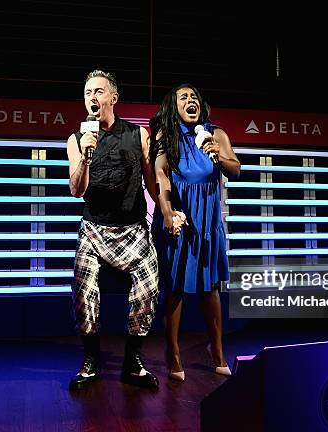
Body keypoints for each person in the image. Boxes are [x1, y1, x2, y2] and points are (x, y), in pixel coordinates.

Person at [67, 70, 160, 390]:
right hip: (93, 230)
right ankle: (91, 360)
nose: (92, 97)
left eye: (99, 91)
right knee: (83, 290)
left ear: (113, 98)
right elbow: (76, 190)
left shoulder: (138, 135)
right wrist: (87, 157)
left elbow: (152, 180)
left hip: (133, 229)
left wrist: (168, 210)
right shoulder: (77, 139)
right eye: (87, 92)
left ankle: (133, 361)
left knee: (148, 287)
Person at [149, 84, 240, 382]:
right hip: (181, 218)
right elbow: (161, 173)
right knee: (175, 288)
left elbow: (235, 170)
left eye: (195, 98)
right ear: (173, 107)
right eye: (184, 98)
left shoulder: (218, 134)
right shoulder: (167, 137)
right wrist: (167, 211)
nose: (191, 101)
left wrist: (219, 154)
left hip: (208, 222)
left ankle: (217, 352)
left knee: (210, 288)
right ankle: (173, 354)